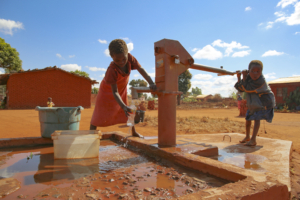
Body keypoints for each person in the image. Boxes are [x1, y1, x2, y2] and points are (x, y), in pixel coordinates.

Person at [90, 39, 156, 137]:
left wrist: (151, 82)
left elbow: (140, 69)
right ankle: (90, 135)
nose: (121, 62)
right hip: (107, 91)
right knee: (98, 114)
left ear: (127, 53)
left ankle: (133, 132)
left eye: (123, 59)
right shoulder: (111, 70)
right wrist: (123, 106)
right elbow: (114, 91)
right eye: (117, 60)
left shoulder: (130, 58)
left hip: (121, 89)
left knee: (129, 110)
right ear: (112, 57)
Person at [234, 60, 275, 146]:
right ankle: (247, 137)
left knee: (257, 119)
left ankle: (253, 140)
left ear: (261, 72)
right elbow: (240, 88)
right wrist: (239, 77)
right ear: (249, 71)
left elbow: (246, 88)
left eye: (258, 71)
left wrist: (244, 76)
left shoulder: (260, 80)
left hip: (263, 102)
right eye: (252, 71)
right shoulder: (248, 77)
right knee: (248, 119)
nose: (255, 74)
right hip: (253, 103)